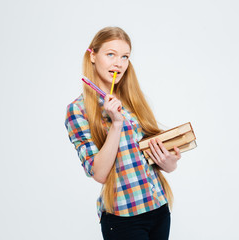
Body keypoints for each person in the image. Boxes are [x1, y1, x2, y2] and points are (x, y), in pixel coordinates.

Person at [64, 26, 181, 240]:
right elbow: (98, 173)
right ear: (92, 55)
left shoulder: (132, 99)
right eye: (111, 54)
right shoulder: (78, 110)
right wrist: (116, 124)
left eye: (125, 56)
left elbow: (150, 155)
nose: (119, 63)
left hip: (158, 207)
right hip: (123, 216)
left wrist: (169, 162)